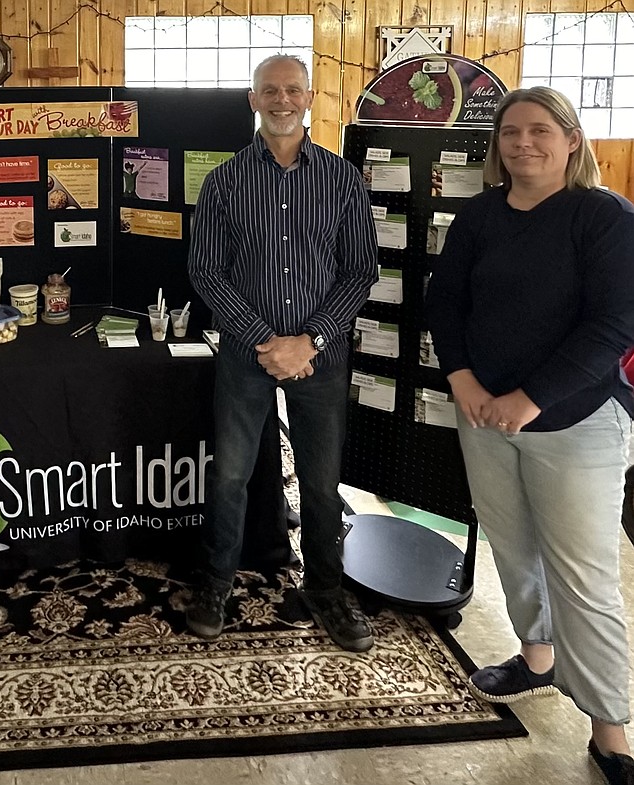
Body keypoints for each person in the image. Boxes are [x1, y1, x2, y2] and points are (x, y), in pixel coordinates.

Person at [425, 86, 634, 785]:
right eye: (511, 132)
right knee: (514, 550)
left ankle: (611, 730)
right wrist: (463, 380)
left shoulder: (604, 218)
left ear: (572, 141)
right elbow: (444, 299)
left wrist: (530, 398)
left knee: (585, 576)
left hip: (573, 426)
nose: (523, 144)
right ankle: (536, 658)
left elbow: (613, 326)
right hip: (484, 416)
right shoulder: (480, 215)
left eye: (541, 131)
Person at [185, 54, 378, 651]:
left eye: (292, 89)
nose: (281, 99)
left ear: (310, 96)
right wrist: (265, 341)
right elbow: (206, 271)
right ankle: (216, 583)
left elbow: (360, 273)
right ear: (253, 99)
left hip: (320, 355)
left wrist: (309, 340)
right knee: (231, 477)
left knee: (322, 484)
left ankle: (326, 589)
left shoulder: (343, 179)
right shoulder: (223, 182)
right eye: (269, 90)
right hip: (247, 355)